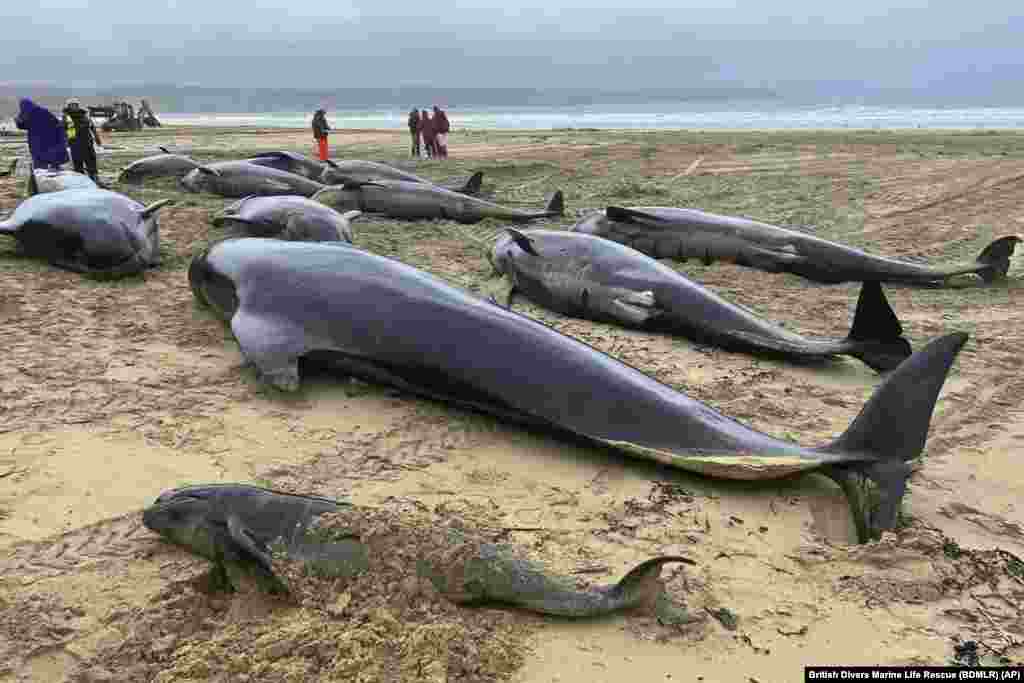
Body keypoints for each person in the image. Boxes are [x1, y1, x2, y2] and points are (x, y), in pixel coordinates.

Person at [15, 98, 69, 171]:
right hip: (42, 139)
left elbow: (24, 125)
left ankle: (43, 172)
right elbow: (24, 125)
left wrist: (18, 122)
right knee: (48, 155)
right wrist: (18, 122)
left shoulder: (29, 114)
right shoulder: (34, 113)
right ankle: (52, 169)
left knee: (41, 158)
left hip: (40, 139)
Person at [62, 98, 104, 183]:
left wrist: (97, 138)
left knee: (91, 161)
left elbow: (92, 127)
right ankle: (81, 181)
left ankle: (94, 178)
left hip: (87, 142)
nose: (74, 107)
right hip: (75, 144)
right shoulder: (66, 117)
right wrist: (64, 142)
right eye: (72, 105)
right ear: (68, 106)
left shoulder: (85, 115)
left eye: (75, 105)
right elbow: (62, 130)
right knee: (78, 164)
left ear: (78, 106)